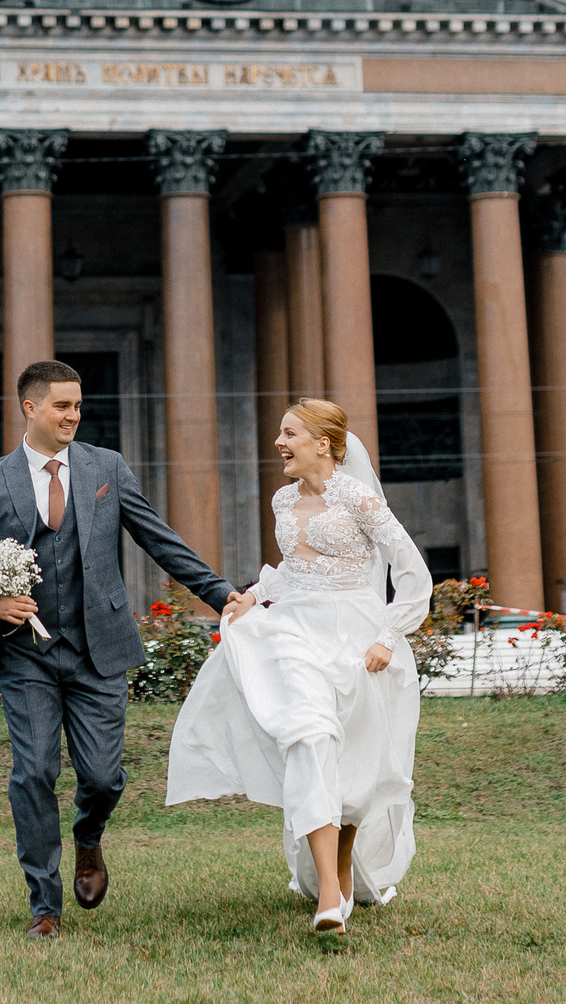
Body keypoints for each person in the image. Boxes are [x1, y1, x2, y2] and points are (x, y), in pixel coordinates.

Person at [0, 360, 243, 940]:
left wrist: (222, 593)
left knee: (103, 778)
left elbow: (159, 538)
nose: (74, 415)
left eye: (78, 406)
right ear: (30, 408)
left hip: (98, 648)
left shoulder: (107, 467)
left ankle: (88, 838)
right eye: (62, 406)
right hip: (25, 653)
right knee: (33, 772)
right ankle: (44, 908)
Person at [167, 399, 431, 938]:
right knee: (308, 737)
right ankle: (330, 900)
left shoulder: (359, 499)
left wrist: (388, 635)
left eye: (289, 434)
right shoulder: (283, 500)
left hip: (356, 638)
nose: (279, 443)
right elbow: (295, 570)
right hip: (293, 631)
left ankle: (340, 872)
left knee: (356, 768)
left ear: (324, 444)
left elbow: (413, 573)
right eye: (280, 434)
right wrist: (253, 596)